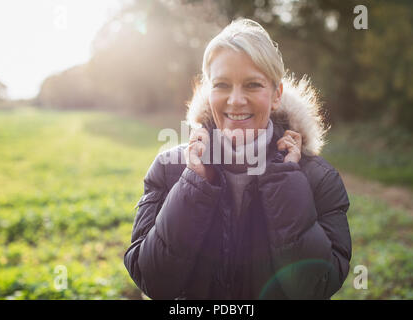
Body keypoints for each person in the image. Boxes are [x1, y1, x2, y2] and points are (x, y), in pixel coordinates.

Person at [124, 18, 351, 300]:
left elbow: (315, 287)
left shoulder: (319, 179)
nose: (235, 100)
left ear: (276, 94)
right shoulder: (168, 169)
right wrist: (194, 184)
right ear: (209, 92)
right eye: (222, 85)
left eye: (252, 85)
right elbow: (153, 280)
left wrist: (286, 183)